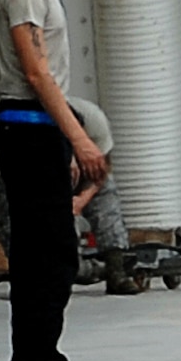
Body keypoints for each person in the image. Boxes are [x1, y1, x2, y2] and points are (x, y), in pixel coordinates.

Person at [0, 0, 103, 361]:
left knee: (52, 248)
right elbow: (37, 73)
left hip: (41, 133)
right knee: (47, 251)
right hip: (29, 130)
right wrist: (81, 140)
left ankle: (41, 358)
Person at [63, 95, 137, 296]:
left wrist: (81, 200)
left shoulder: (94, 119)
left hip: (85, 177)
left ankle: (116, 271)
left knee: (106, 199)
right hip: (40, 182)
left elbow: (104, 167)